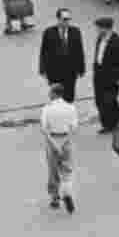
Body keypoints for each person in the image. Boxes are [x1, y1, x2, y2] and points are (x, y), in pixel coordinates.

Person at [40, 83, 78, 213]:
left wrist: (55, 144)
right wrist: (64, 142)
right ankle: (67, 193)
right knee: (66, 170)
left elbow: (44, 129)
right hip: (66, 140)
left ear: (54, 94)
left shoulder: (47, 108)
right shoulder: (70, 108)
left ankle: (55, 197)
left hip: (52, 141)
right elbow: (73, 128)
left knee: (53, 170)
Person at [38, 7, 86, 101]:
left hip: (70, 71)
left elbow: (79, 51)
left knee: (69, 95)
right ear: (58, 19)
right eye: (64, 19)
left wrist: (81, 69)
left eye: (69, 19)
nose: (67, 22)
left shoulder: (75, 32)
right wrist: (42, 69)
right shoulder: (49, 32)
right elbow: (44, 52)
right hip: (54, 71)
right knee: (56, 97)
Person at [93, 15, 119, 133]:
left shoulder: (118, 41)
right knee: (99, 100)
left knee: (109, 100)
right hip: (99, 73)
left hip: (112, 76)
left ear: (106, 28)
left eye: (99, 28)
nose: (97, 30)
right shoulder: (100, 38)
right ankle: (107, 124)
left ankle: (114, 123)